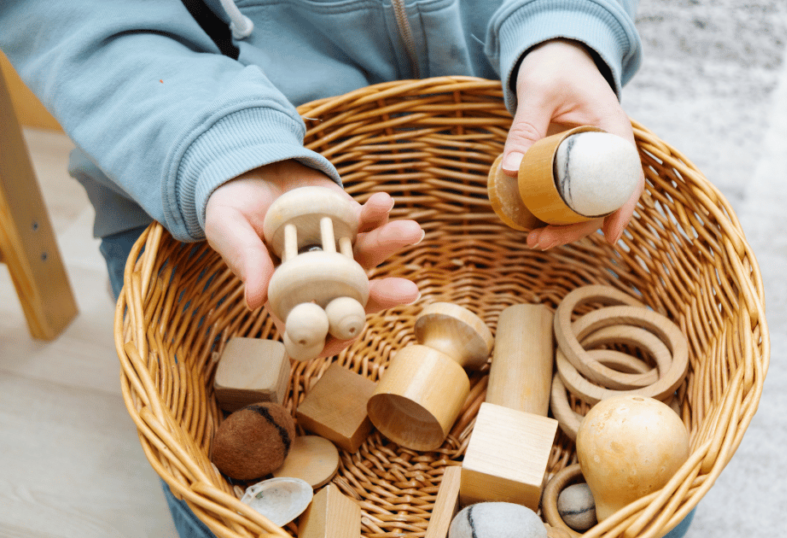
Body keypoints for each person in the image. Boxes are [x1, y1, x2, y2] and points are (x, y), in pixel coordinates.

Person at [1, 1, 643, 536]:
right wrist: (219, 145)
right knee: (216, 502)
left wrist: (564, 30)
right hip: (186, 162)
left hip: (498, 109)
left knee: (650, 512)